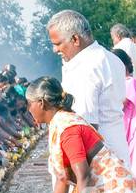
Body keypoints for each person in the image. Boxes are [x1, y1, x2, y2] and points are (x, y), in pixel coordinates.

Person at [47, 10, 129, 161]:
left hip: (96, 159)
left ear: (75, 40)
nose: (55, 50)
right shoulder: (110, 58)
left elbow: (85, 125)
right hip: (115, 147)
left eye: (58, 44)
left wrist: (77, 172)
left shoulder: (87, 67)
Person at [115, 50, 136, 181]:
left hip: (128, 125)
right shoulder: (123, 81)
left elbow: (122, 102)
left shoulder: (130, 82)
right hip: (123, 123)